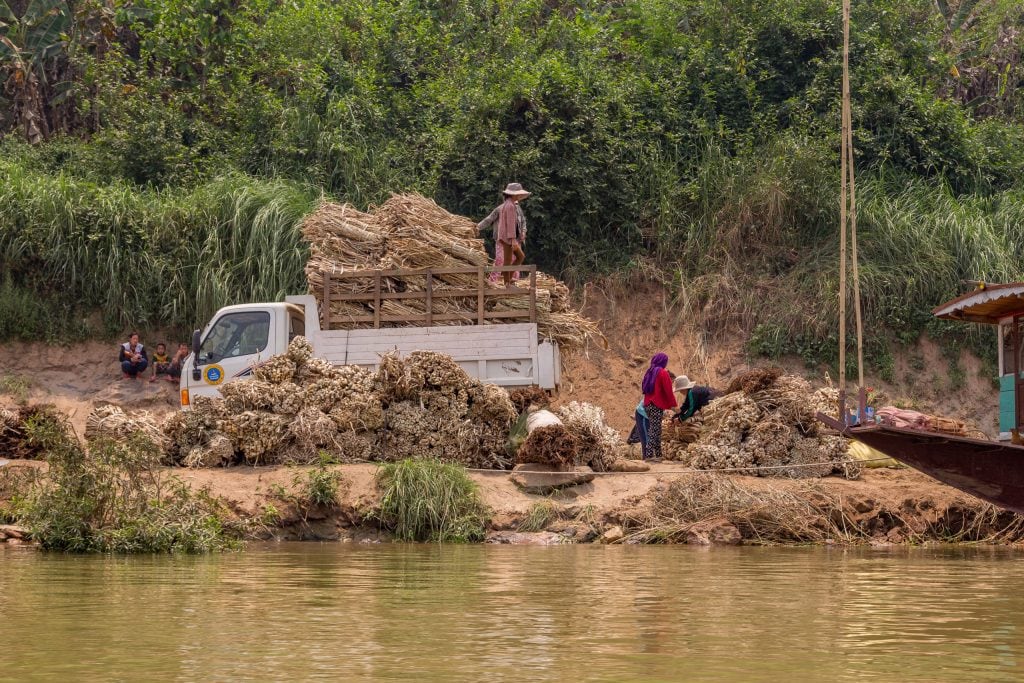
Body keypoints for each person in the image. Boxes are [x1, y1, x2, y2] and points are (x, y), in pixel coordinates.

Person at [477, 182, 530, 286]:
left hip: (515, 239)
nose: (519, 196)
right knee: (501, 261)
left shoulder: (517, 208)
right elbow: (489, 220)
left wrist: (523, 231)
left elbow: (523, 221)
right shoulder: (502, 208)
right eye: (518, 194)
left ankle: (511, 282)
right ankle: (494, 283)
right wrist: (477, 227)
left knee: (514, 260)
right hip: (506, 240)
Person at [641, 352, 677, 461]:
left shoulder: (649, 372)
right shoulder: (662, 373)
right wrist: (674, 405)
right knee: (654, 429)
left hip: (648, 404)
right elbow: (668, 391)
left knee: (656, 429)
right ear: (663, 362)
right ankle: (649, 455)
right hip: (656, 404)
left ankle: (658, 454)